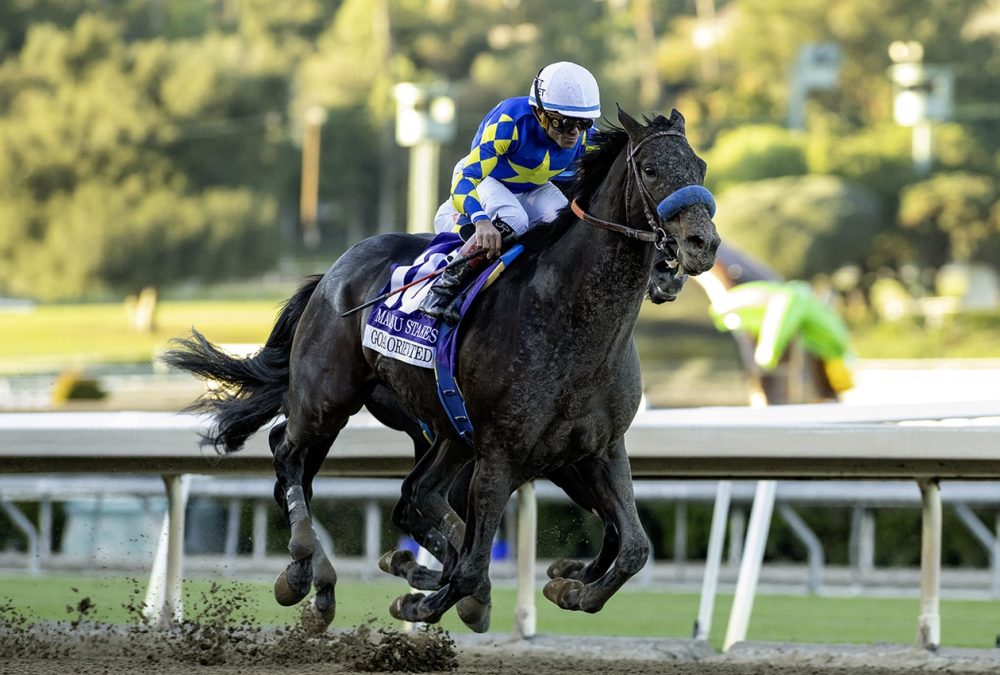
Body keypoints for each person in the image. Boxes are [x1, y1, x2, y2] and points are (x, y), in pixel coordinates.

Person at [418, 61, 601, 324]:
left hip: (532, 187)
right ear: (539, 112)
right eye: (563, 122)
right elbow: (465, 177)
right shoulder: (509, 122)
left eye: (583, 123)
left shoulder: (583, 137)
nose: (574, 133)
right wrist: (480, 220)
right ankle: (443, 289)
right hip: (487, 179)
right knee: (515, 219)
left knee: (566, 225)